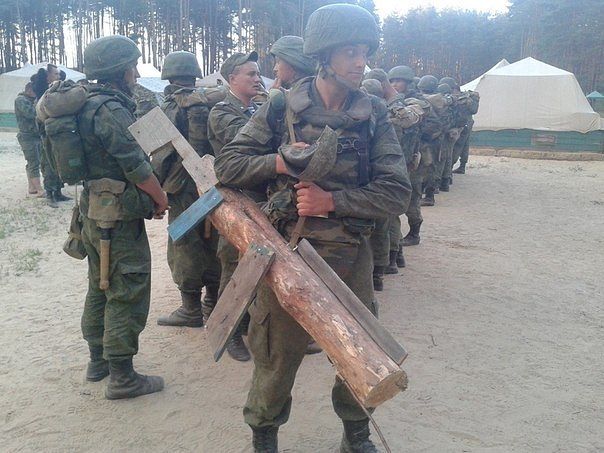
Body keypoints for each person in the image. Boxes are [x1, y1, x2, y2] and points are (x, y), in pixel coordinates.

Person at [214, 4, 411, 451]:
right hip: (288, 254)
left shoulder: (374, 113)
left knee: (360, 349)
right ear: (324, 56)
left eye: (365, 53)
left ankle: (355, 433)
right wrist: (280, 162)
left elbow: (397, 192)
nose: (361, 63)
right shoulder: (281, 106)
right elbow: (228, 165)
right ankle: (264, 436)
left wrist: (332, 201)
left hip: (350, 254)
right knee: (276, 354)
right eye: (350, 53)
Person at [79, 35, 168, 399]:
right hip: (116, 218)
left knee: (99, 284)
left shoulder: (86, 103)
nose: (136, 73)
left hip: (92, 212)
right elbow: (136, 167)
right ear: (121, 70)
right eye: (132, 67)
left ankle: (97, 361)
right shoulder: (111, 110)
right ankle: (122, 376)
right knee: (126, 287)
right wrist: (160, 198)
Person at [155, 51, 222, 330]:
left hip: (182, 187)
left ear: (169, 75)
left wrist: (159, 185)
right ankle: (213, 302)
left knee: (183, 243)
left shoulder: (172, 105)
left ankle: (191, 308)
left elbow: (160, 153)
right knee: (213, 240)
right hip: (212, 183)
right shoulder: (209, 100)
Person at [207, 51, 263, 361]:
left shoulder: (256, 108)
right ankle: (230, 332)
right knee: (233, 264)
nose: (257, 79)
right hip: (235, 199)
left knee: (261, 262)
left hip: (258, 197)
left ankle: (254, 324)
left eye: (258, 73)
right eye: (250, 74)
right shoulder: (222, 112)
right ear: (232, 79)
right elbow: (249, 143)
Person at [388, 66, 431, 247]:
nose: (394, 84)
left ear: (408, 83)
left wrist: (393, 100)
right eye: (391, 81)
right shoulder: (389, 101)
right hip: (393, 159)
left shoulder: (418, 102)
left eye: (398, 81)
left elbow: (407, 119)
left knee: (412, 197)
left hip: (412, 161)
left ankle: (414, 233)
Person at [31, 63, 70, 207]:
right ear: (47, 76)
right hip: (47, 134)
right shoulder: (43, 94)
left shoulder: (54, 91)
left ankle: (58, 192)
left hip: (57, 133)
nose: (59, 76)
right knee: (49, 164)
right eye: (55, 74)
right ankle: (50, 193)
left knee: (59, 162)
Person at [14, 82, 45, 197]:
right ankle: (39, 189)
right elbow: (31, 114)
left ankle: (32, 187)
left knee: (33, 162)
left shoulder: (29, 100)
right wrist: (38, 103)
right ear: (29, 90)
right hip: (27, 136)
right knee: (33, 163)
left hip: (34, 136)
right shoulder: (21, 100)